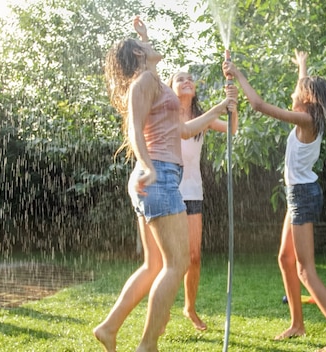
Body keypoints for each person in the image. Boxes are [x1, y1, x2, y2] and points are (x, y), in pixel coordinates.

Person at [93, 17, 236, 352]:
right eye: (143, 44)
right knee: (178, 263)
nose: (149, 44)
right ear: (139, 55)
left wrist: (220, 106)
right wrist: (146, 167)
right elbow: (133, 128)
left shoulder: (153, 80)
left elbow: (183, 131)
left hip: (160, 176)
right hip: (157, 175)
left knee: (156, 265)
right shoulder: (143, 82)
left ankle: (109, 328)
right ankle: (147, 344)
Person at [223, 50, 326, 351]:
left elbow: (257, 105)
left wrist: (238, 72)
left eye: (300, 87)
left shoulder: (305, 118)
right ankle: (297, 324)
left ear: (307, 98)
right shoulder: (308, 115)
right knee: (285, 259)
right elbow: (301, 86)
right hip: (298, 194)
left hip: (303, 196)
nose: (295, 89)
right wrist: (303, 66)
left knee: (305, 270)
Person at [167, 70, 238, 331]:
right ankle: (162, 313)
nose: (187, 81)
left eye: (190, 79)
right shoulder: (167, 115)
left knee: (194, 257)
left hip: (193, 192)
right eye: (180, 79)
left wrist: (233, 102)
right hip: (168, 191)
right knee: (172, 259)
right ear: (171, 87)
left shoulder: (202, 118)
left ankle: (189, 308)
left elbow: (232, 129)